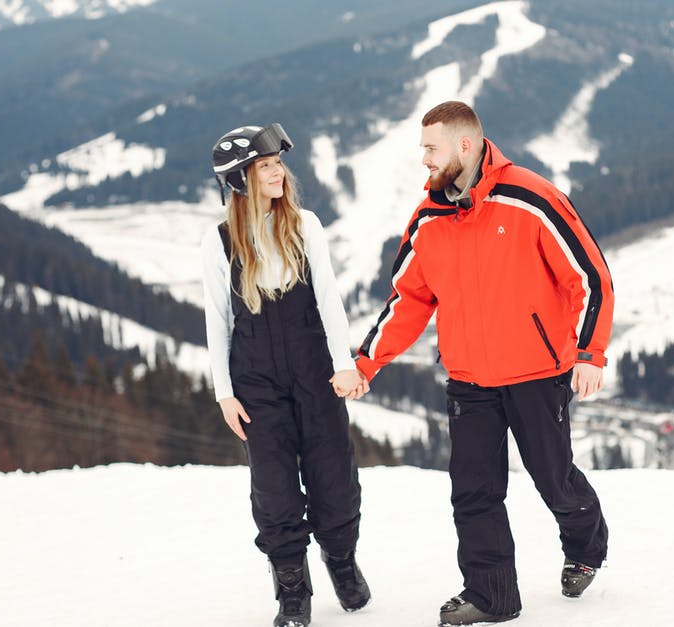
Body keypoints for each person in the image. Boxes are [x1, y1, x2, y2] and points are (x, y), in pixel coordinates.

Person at [351, 101, 614, 626]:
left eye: (431, 147)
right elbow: (407, 301)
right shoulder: (429, 218)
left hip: (538, 373)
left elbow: (590, 275)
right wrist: (366, 362)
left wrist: (589, 353)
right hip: (469, 379)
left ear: (464, 146)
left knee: (552, 477)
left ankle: (586, 545)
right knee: (473, 491)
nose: (423, 158)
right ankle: (491, 595)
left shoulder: (530, 197)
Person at [201, 123, 371, 627]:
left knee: (332, 473)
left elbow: (329, 301)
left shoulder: (305, 224)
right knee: (272, 487)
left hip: (313, 365)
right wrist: (224, 393)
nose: (278, 172)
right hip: (254, 376)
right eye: (265, 166)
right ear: (240, 180)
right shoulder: (219, 241)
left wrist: (343, 364)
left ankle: (340, 560)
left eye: (278, 163)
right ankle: (292, 587)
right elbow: (217, 318)